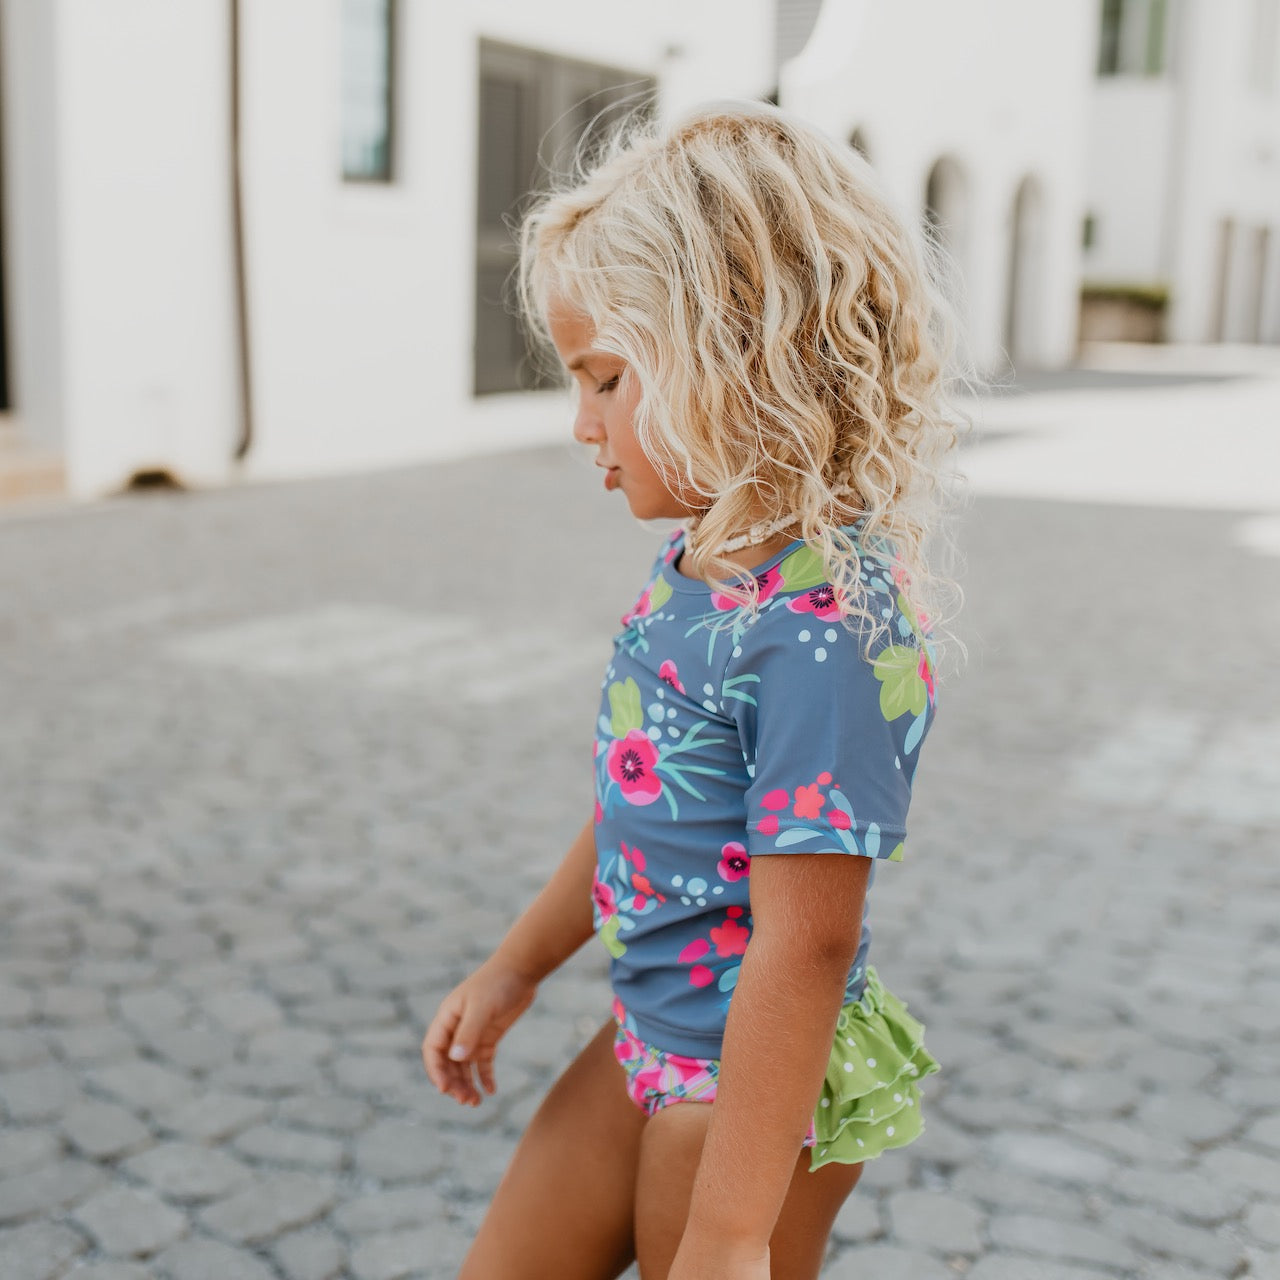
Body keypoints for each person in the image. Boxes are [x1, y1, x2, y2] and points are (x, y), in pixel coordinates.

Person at [423, 100, 963, 1280]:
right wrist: (517, 964)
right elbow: (642, 797)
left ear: (730, 353)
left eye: (605, 379)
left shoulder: (821, 628)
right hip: (647, 1035)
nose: (581, 423)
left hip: (743, 1086)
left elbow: (806, 945)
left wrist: (730, 1229)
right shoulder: (696, 569)